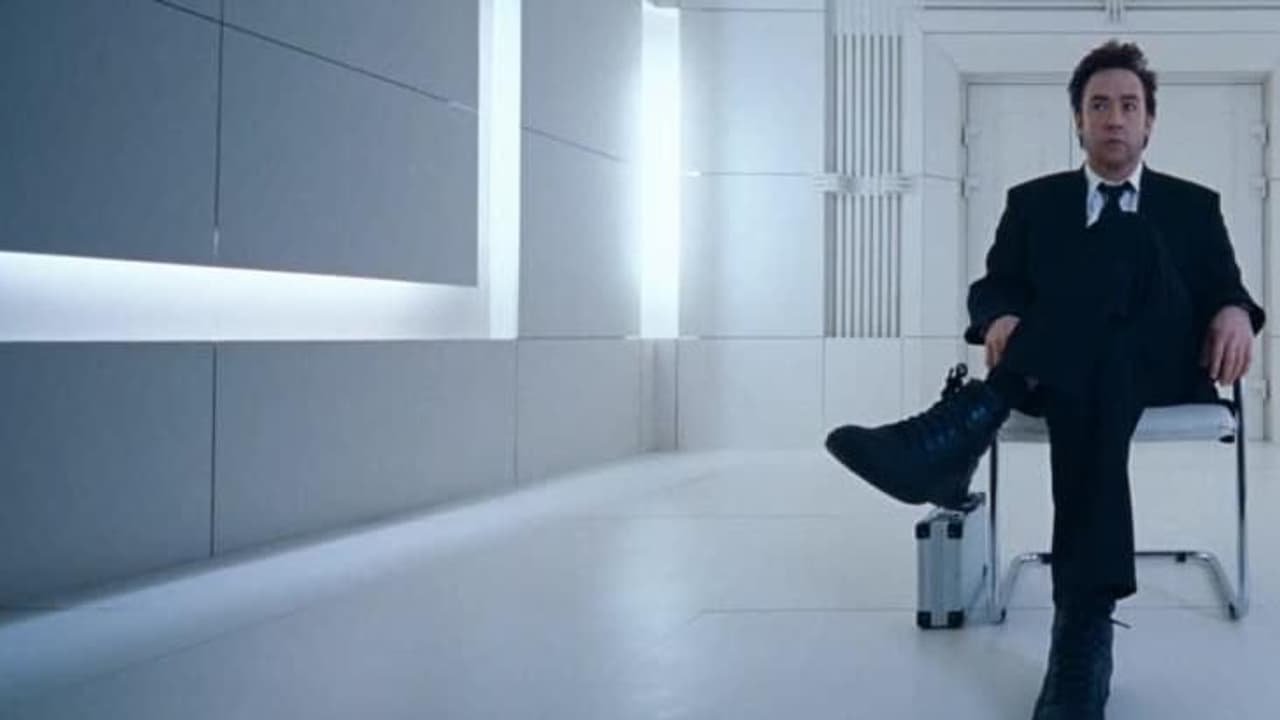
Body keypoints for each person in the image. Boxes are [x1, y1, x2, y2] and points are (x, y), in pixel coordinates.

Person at [825, 39, 1264, 719]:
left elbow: (1224, 286)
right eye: (1099, 105)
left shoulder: (1192, 206)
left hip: (1162, 366)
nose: (1114, 118)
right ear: (1078, 120)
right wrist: (1000, 315)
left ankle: (965, 425)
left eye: (1129, 106)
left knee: (1124, 234)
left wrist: (1235, 311)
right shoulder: (1034, 202)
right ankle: (1082, 636)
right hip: (1075, 375)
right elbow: (994, 287)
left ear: (1149, 121)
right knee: (1094, 377)